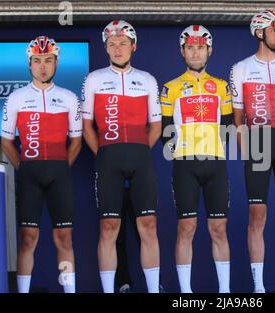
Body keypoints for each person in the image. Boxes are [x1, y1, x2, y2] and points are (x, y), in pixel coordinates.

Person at [81, 20, 162, 293]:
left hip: (140, 158)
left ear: (133, 46)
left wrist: (139, 151)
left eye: (123, 44)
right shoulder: (93, 79)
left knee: (148, 226)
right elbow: (86, 126)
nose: (117, 49)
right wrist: (104, 154)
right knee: (108, 227)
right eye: (112, 44)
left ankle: (152, 289)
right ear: (106, 48)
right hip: (108, 159)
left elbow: (156, 126)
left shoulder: (148, 80)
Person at [229, 9, 275, 293]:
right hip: (256, 142)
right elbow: (237, 122)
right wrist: (249, 152)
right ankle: (258, 288)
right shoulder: (240, 69)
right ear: (259, 33)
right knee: (257, 216)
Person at [1, 36, 82, 293]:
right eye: (37, 61)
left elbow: (77, 142)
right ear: (30, 64)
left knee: (64, 238)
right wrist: (23, 167)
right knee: (27, 239)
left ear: (56, 62)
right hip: (29, 174)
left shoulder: (69, 97)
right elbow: (6, 143)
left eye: (48, 60)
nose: (43, 66)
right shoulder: (15, 97)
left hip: (59, 172)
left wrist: (59, 167)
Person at [160, 25, 233, 293]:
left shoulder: (223, 87)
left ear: (209, 50)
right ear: (182, 51)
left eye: (200, 47)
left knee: (219, 229)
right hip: (185, 164)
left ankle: (225, 292)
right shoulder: (170, 89)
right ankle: (185, 293)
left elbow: (228, 126)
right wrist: (185, 147)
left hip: (215, 162)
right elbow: (165, 132)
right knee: (186, 228)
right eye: (190, 47)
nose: (195, 52)